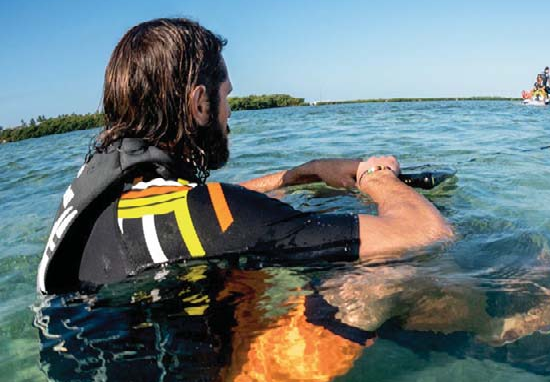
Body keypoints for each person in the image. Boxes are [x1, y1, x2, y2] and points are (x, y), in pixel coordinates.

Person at [36, 18, 453, 295]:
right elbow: (425, 235)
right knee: (375, 282)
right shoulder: (210, 214)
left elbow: (207, 209)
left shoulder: (102, 186)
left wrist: (301, 175)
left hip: (100, 360)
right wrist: (378, 176)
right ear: (199, 103)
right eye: (226, 96)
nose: (229, 112)